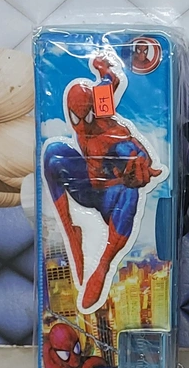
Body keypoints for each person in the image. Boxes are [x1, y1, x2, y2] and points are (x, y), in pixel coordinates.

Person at [43, 52, 164, 311]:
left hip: (112, 197)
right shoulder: (100, 101)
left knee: (130, 193)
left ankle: (103, 264)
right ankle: (69, 229)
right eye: (76, 118)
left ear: (94, 112)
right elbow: (111, 80)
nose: (82, 125)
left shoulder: (111, 132)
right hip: (89, 186)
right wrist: (103, 69)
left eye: (86, 118)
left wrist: (140, 168)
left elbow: (135, 152)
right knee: (53, 153)